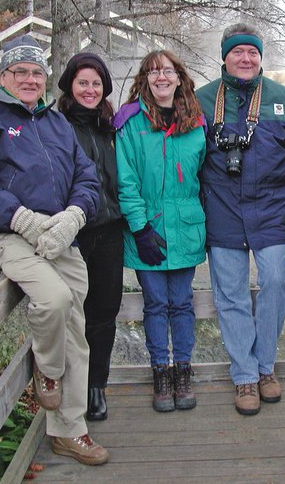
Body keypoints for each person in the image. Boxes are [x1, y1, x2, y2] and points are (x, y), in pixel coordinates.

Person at [0, 34, 108, 465]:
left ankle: (70, 431)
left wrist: (74, 214)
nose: (31, 79)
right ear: (4, 76)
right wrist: (22, 219)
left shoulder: (57, 125)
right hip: (11, 236)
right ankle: (48, 374)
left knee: (78, 332)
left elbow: (86, 179)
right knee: (53, 300)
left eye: (37, 72)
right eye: (21, 72)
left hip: (60, 236)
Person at [196, 23, 285, 416]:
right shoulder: (201, 100)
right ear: (224, 56)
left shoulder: (284, 100)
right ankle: (245, 375)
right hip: (222, 210)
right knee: (230, 294)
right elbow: (184, 156)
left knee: (274, 283)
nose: (246, 59)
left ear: (260, 57)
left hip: (272, 210)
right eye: (238, 52)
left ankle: (266, 366)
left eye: (252, 52)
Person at [113, 50, 206, 413]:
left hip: (185, 228)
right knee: (155, 305)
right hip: (146, 229)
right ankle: (160, 374)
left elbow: (205, 177)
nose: (161, 78)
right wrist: (139, 229)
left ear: (179, 77)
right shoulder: (130, 123)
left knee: (182, 303)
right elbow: (126, 180)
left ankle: (183, 370)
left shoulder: (196, 123)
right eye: (153, 72)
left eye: (167, 71)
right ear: (145, 80)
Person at [56, 52, 123, 421]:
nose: (90, 89)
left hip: (110, 230)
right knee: (71, 312)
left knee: (104, 312)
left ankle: (96, 384)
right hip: (74, 232)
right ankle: (72, 386)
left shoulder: (110, 126)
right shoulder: (55, 125)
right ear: (70, 85)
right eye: (83, 82)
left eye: (96, 83)